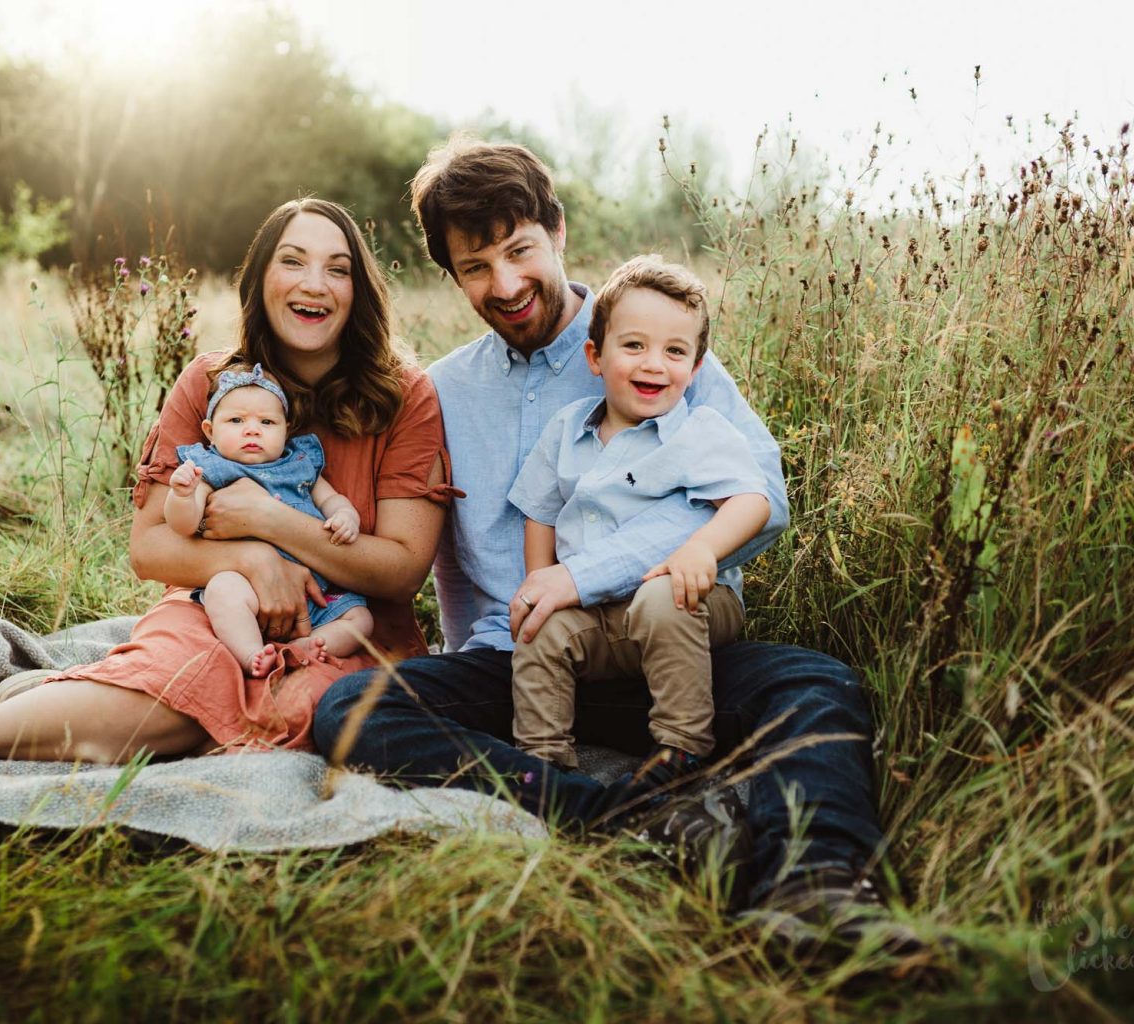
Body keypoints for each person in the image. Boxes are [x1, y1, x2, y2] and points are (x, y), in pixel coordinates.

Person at [314, 137, 895, 934]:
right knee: (355, 710)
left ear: (557, 232)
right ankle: (635, 814)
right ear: (451, 276)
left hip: (674, 647)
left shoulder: (645, 338)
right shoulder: (439, 391)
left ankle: (819, 886)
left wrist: (588, 577)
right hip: (522, 660)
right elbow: (383, 531)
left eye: (519, 250)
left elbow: (761, 494)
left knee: (815, 685)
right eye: (475, 266)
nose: (506, 283)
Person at [0, 197, 454, 771]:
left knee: (297, 708)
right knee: (189, 683)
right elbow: (149, 549)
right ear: (260, 280)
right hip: (218, 606)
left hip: (344, 633)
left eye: (338, 268)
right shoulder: (209, 383)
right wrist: (252, 558)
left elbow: (401, 571)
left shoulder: (404, 396)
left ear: (358, 289)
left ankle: (74, 699)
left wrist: (270, 520)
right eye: (293, 261)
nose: (315, 284)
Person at [507, 254, 772, 776]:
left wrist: (702, 548)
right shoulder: (566, 430)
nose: (654, 364)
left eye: (675, 351)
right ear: (595, 356)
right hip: (599, 618)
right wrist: (539, 581)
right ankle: (543, 761)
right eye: (634, 345)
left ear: (695, 369)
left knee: (660, 596)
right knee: (541, 630)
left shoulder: (699, 432)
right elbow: (539, 510)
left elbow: (753, 501)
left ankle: (682, 746)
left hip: (692, 603)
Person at [165, 361, 374, 677]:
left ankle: (309, 646)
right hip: (247, 589)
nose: (252, 430)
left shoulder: (300, 464)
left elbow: (329, 498)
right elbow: (185, 524)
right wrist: (181, 496)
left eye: (267, 421)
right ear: (210, 430)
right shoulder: (212, 468)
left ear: (286, 429)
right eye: (236, 420)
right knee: (222, 590)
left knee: (360, 619)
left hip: (314, 596)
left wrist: (345, 515)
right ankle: (252, 655)